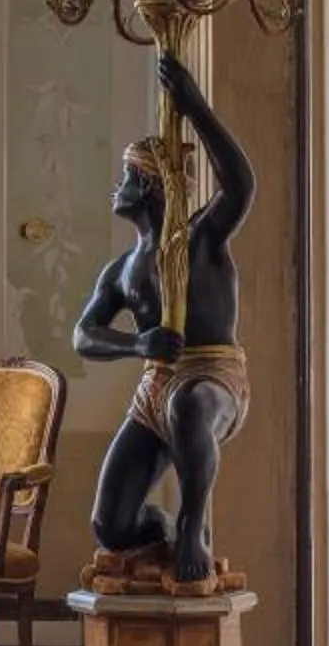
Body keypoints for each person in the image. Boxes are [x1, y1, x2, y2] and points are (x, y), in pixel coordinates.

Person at [71, 49, 252, 589]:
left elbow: (240, 185)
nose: (116, 187)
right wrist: (137, 344)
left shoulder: (199, 238)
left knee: (188, 404)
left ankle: (195, 525)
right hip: (155, 385)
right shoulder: (123, 269)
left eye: (126, 176)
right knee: (111, 526)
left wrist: (193, 105)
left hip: (212, 377)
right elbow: (85, 335)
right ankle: (165, 526)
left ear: (149, 186)